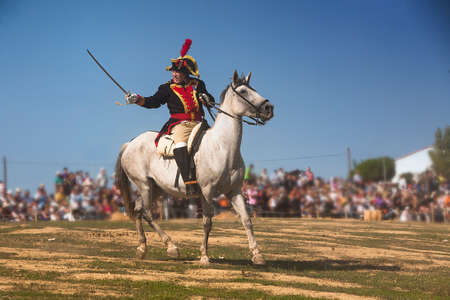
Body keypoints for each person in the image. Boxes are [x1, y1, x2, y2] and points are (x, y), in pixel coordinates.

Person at [125, 39, 215, 199]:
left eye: (178, 72)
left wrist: (206, 98)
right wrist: (137, 99)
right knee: (180, 145)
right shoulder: (166, 88)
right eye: (173, 71)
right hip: (180, 125)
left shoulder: (198, 84)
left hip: (200, 124)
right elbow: (153, 102)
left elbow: (211, 100)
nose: (174, 74)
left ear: (186, 73)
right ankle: (189, 183)